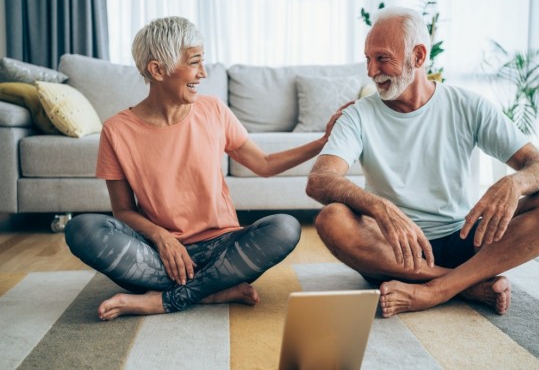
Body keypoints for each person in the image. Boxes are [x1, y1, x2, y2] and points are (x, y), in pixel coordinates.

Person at [306, 6, 539, 317]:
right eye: (368, 59)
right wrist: (379, 207)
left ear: (419, 57)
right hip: (392, 250)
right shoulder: (358, 115)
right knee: (331, 218)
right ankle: (462, 285)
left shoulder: (468, 105)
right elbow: (320, 180)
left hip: (465, 239)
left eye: (382, 58)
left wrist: (514, 182)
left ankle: (435, 290)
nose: (372, 71)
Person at [65, 16, 346, 321]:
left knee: (285, 228)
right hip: (161, 255)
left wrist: (322, 141)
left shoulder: (212, 110)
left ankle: (167, 299)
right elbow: (122, 211)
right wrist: (162, 237)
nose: (203, 73)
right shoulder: (117, 130)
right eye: (194, 62)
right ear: (157, 70)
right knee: (81, 229)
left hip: (221, 249)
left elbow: (264, 165)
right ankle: (213, 290)